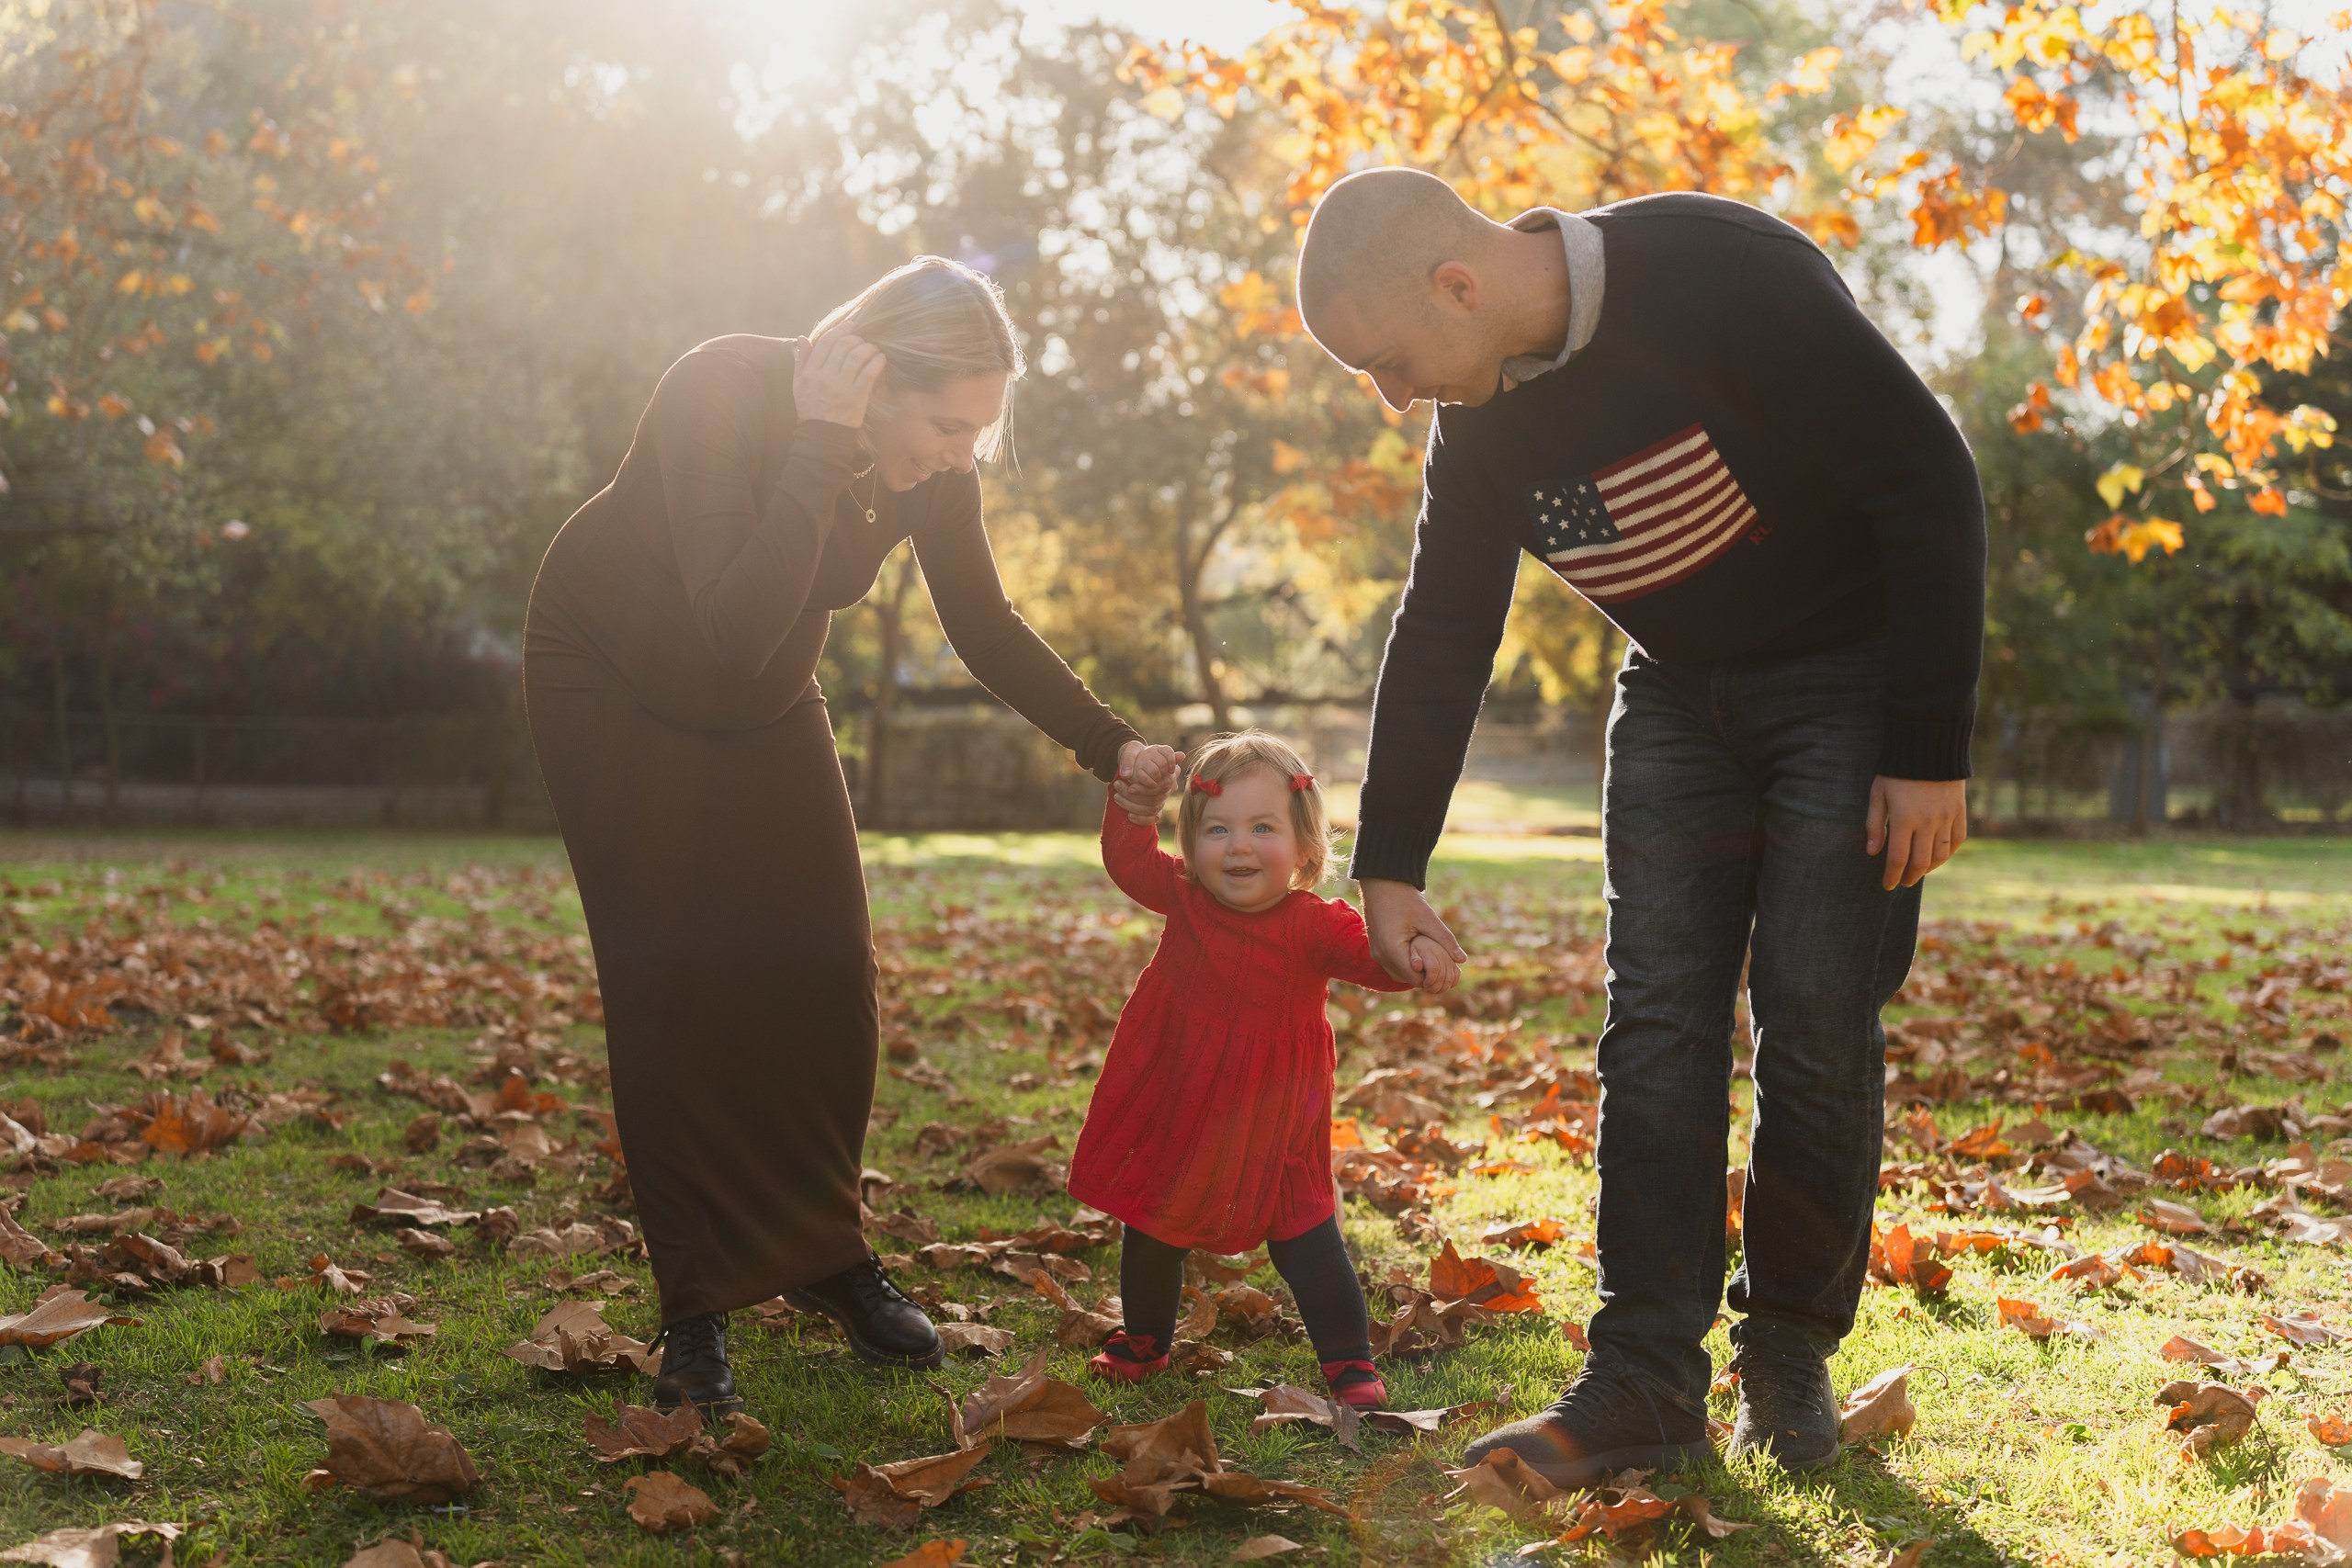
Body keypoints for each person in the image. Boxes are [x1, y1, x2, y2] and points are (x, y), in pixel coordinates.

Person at [1293, 168, 1985, 1481]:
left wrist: (1926, 748)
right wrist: (1388, 861)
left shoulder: (1721, 272)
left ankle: (1783, 1354)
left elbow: (1926, 477)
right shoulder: (1483, 419)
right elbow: (1444, 628)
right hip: (1677, 698)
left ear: (1459, 285)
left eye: (1392, 364)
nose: (1395, 397)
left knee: (1816, 1013)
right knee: (1657, 1019)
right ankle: (1643, 1377)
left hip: (1849, 675)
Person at [523, 256, 1177, 1413]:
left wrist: (1106, 744)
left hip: (764, 691)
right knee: (669, 977)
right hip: (613, 677)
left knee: (825, 966)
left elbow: (981, 624)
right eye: (947, 422)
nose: (961, 452)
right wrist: (821, 445)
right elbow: (727, 621)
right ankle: (695, 1307)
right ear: (871, 377)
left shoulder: (928, 471)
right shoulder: (722, 390)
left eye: (980, 429)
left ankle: (822, 1252)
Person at [1067, 730, 1455, 1409]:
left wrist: (1416, 958)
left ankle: (1349, 1362)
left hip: (1276, 1111)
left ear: (1305, 847)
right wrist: (1134, 805)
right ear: (1191, 841)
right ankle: (1145, 1340)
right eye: (1217, 828)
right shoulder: (1185, 896)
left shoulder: (1313, 924)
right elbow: (1127, 862)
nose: (1238, 845)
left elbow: (1375, 958)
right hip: (1180, 1096)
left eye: (1261, 827)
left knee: (1305, 1230)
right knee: (1154, 1219)